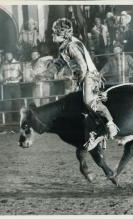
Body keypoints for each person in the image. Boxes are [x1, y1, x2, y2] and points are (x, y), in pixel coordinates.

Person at [51, 18, 119, 149]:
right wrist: (45, 72)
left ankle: (110, 125)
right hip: (85, 76)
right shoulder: (66, 46)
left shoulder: (71, 46)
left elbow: (82, 67)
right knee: (80, 105)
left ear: (63, 34)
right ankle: (94, 133)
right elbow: (59, 63)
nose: (52, 34)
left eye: (55, 32)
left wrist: (77, 81)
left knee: (89, 102)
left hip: (89, 76)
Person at [0, 52, 23, 124]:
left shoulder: (17, 63)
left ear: (12, 55)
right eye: (7, 55)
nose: (8, 56)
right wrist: (3, 81)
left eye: (9, 55)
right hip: (7, 86)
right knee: (7, 104)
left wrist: (17, 78)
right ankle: (9, 123)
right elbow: (0, 73)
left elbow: (22, 73)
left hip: (16, 85)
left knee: (17, 103)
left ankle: (19, 122)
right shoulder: (3, 64)